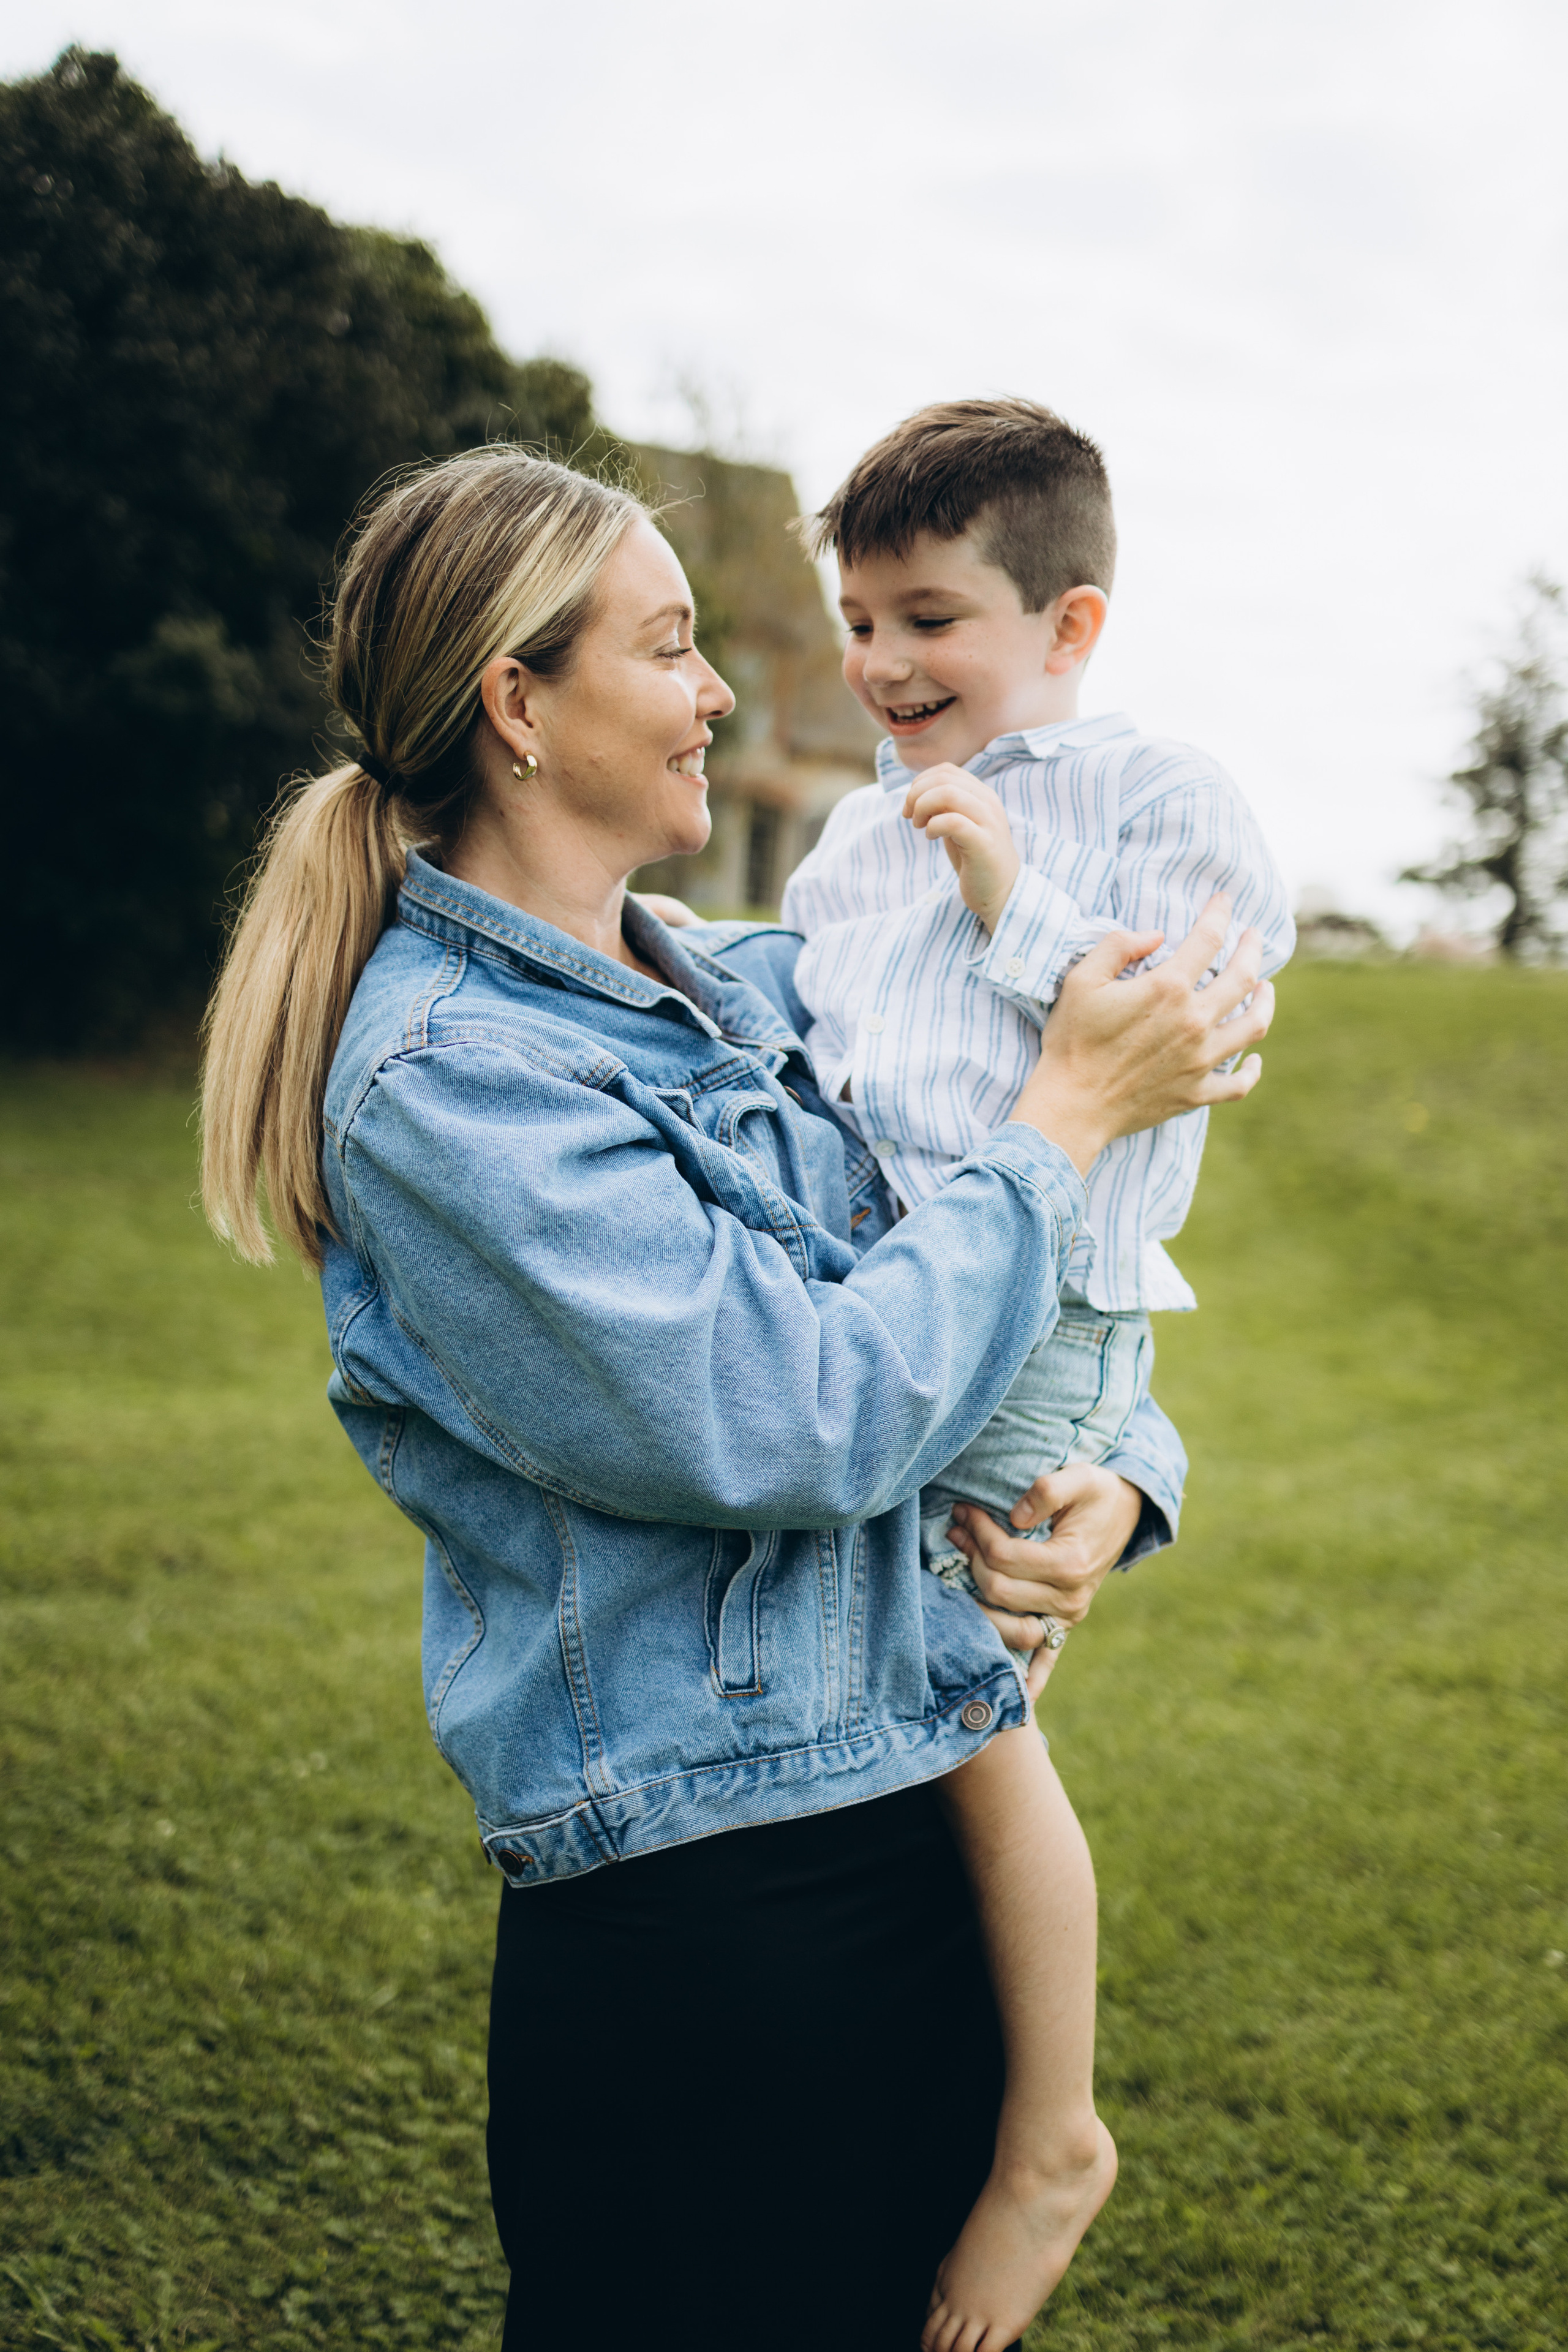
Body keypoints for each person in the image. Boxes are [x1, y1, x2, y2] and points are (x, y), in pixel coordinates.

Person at [199, 444, 1273, 2352]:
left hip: (906, 1808)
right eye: (673, 647)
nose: (722, 695)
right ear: (518, 707)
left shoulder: (757, 990)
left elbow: (969, 1248)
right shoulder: (449, 1084)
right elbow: (804, 1418)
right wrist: (1074, 1110)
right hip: (714, 1915)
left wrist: (1118, 1471)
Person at [770, 396, 1295, 2345]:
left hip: (1045, 1299)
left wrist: (1011, 893)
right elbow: (820, 1030)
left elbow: (1192, 1018)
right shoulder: (841, 826)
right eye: (860, 621)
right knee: (899, 1728)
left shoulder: (1157, 796)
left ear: (1068, 626)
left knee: (964, 1718)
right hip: (893, 1288)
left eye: (933, 620)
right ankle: (926, 2100)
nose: (885, 666)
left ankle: (1053, 2136)